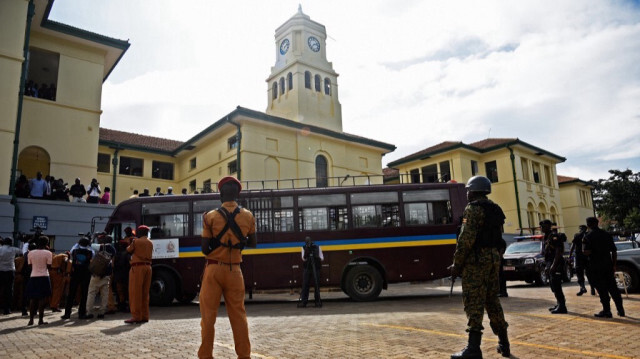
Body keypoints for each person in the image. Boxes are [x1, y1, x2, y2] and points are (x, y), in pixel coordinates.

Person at [449, 176, 510, 359]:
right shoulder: (495, 209)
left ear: (474, 191)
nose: (467, 193)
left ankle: (473, 348)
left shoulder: (473, 209)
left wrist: (456, 265)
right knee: (492, 301)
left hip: (476, 262)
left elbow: (465, 241)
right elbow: (499, 239)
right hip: (493, 259)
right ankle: (504, 343)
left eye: (468, 190)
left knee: (474, 302)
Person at [199, 176, 257, 359]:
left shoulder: (210, 216)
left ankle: (206, 355)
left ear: (221, 193)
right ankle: (244, 355)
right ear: (238, 194)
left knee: (208, 317)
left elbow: (204, 249)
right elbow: (253, 243)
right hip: (235, 271)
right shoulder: (248, 215)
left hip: (214, 269)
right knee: (239, 316)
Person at [583, 217, 625, 317]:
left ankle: (607, 311)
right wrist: (614, 265)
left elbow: (585, 251)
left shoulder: (587, 236)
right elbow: (614, 251)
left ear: (588, 224)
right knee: (613, 289)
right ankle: (621, 310)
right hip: (608, 266)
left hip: (596, 266)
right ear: (597, 223)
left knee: (602, 290)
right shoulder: (606, 234)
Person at [125, 225, 153, 324]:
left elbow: (128, 250)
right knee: (145, 293)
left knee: (135, 293)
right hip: (148, 267)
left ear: (140, 232)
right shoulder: (150, 242)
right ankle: (145, 316)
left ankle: (136, 316)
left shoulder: (136, 241)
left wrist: (131, 242)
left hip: (137, 268)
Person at [61, 236, 94, 320]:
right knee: (84, 294)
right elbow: (92, 252)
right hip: (86, 274)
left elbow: (73, 248)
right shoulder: (90, 252)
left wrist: (77, 243)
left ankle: (67, 314)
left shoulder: (74, 251)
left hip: (75, 274)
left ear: (79, 243)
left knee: (71, 294)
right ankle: (82, 314)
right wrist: (89, 243)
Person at [85, 235, 116, 319]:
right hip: (106, 274)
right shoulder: (113, 249)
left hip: (96, 274)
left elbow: (90, 245)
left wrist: (92, 237)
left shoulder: (101, 246)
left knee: (91, 293)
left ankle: (89, 312)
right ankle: (102, 312)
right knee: (104, 294)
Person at [541, 219, 567, 314]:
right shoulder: (546, 237)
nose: (542, 228)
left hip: (556, 263)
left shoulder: (554, 236)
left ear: (549, 226)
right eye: (541, 226)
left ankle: (562, 306)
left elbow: (558, 251)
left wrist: (553, 265)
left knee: (556, 285)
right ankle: (559, 303)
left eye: (543, 226)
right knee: (553, 285)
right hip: (549, 263)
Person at [25, 236, 53, 325]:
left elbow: (29, 266)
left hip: (33, 276)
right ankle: (40, 320)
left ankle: (31, 319)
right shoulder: (48, 253)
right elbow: (49, 266)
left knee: (32, 299)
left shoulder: (30, 253)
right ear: (47, 243)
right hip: (44, 276)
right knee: (42, 299)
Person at [298, 236, 323, 308]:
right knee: (305, 285)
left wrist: (316, 256)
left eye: (308, 241)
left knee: (316, 285)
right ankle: (304, 302)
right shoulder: (303, 248)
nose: (308, 243)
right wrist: (307, 252)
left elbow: (322, 258)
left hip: (316, 268)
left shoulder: (317, 247)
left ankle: (317, 301)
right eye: (306, 241)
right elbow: (303, 258)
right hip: (307, 268)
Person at [0, 237, 23, 315]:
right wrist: (23, 242)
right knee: (9, 290)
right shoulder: (13, 249)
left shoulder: (0, 249)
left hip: (0, 271)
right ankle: (7, 309)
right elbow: (22, 251)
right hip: (10, 271)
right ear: (11, 243)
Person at [569, 225, 593, 296]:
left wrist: (570, 256)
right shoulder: (589, 235)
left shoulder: (577, 235)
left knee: (579, 272)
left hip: (579, 257)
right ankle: (592, 288)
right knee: (589, 272)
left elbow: (573, 246)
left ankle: (582, 287)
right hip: (588, 256)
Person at [113, 229, 133, 312]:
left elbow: (113, 265)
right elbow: (131, 264)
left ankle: (121, 305)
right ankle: (127, 306)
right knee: (127, 291)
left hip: (118, 276)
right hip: (126, 276)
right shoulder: (128, 254)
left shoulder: (116, 254)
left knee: (120, 292)